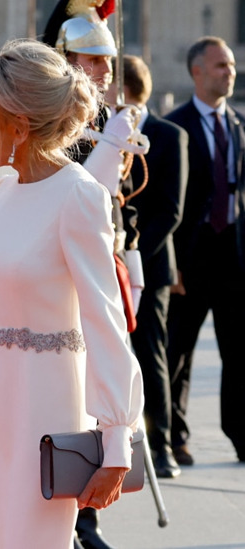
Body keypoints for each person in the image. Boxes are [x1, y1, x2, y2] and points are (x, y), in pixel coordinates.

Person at [0, 39, 144, 549]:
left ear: (18, 125)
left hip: (44, 414)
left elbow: (105, 323)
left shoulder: (79, 195)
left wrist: (117, 445)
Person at [42, 2, 147, 545]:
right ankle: (72, 514)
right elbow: (74, 192)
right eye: (93, 59)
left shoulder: (108, 116)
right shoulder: (55, 118)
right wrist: (106, 153)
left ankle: (88, 515)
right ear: (66, 59)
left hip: (100, 258)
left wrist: (129, 255)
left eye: (108, 61)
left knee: (98, 384)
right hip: (55, 264)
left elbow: (118, 204)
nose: (105, 71)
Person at [164, 36, 245, 466]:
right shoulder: (174, 126)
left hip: (234, 258)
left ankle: (241, 436)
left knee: (238, 353)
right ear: (197, 72)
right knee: (179, 352)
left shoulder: (238, 125)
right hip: (190, 262)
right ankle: (176, 437)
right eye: (220, 66)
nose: (228, 72)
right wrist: (170, 263)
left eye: (230, 65)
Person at [108, 55, 188, 478]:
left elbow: (171, 211)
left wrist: (130, 255)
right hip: (106, 266)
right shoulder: (102, 134)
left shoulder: (170, 135)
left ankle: (163, 445)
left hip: (150, 267)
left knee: (152, 356)